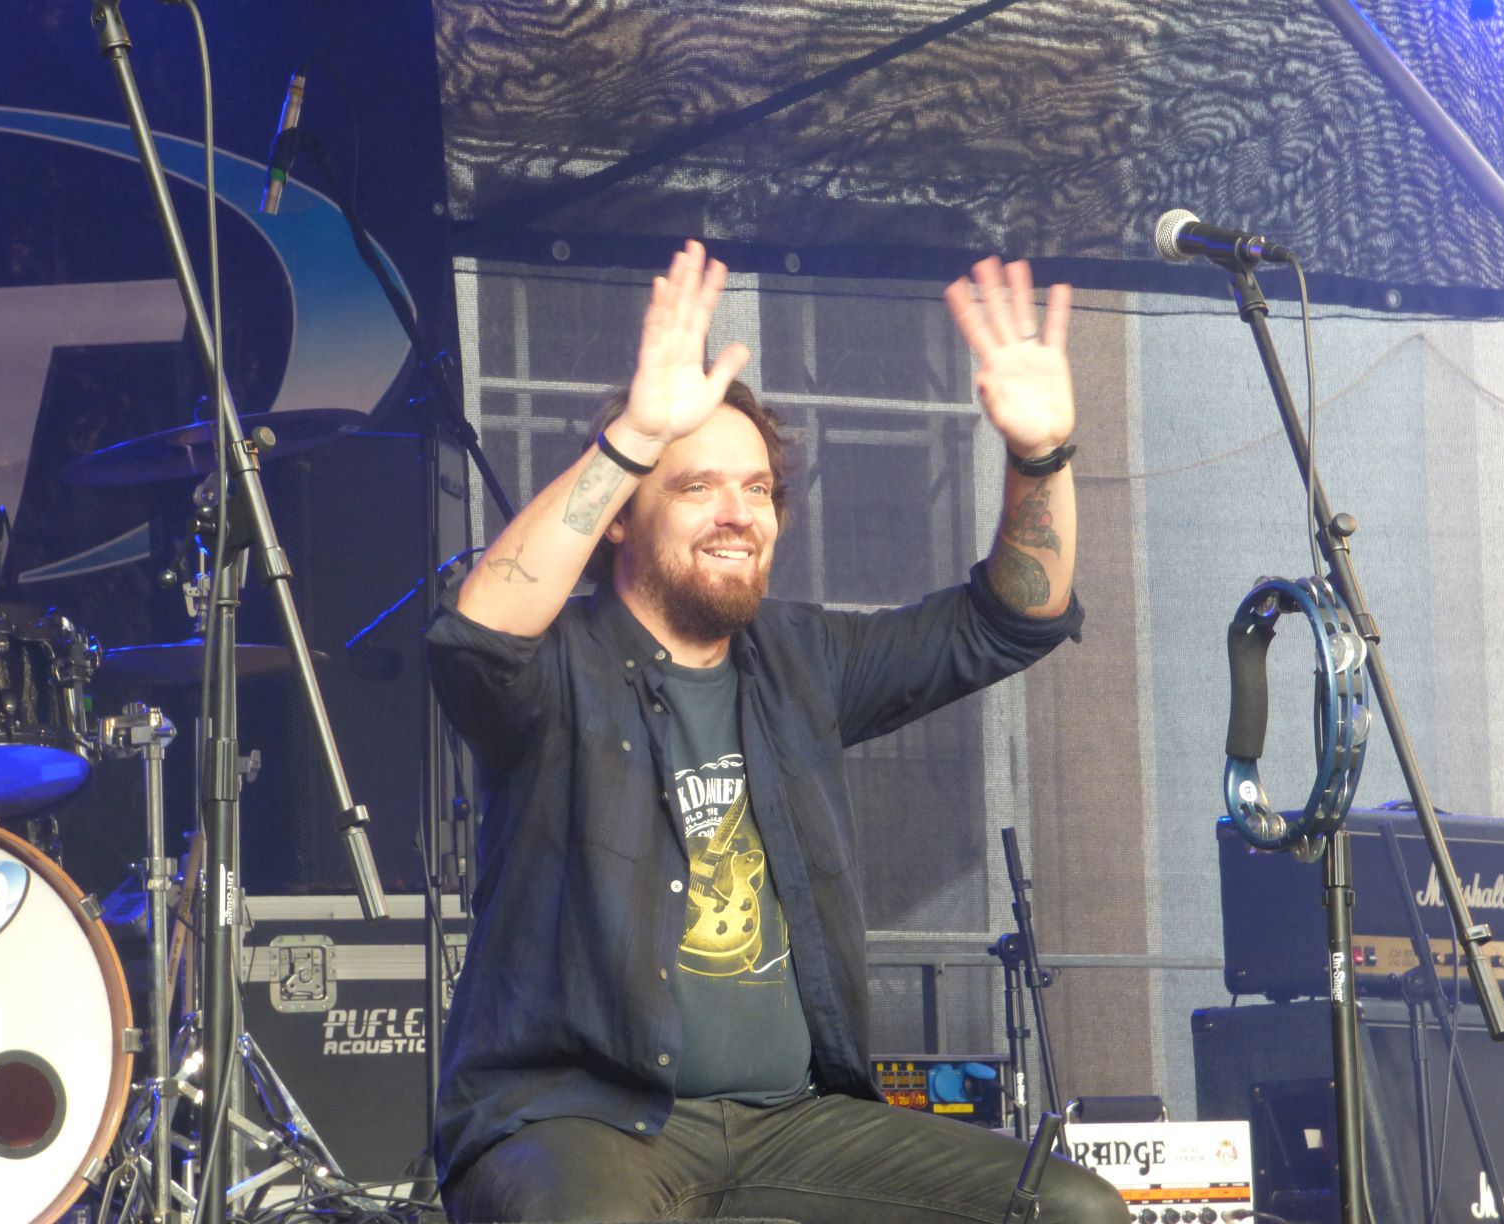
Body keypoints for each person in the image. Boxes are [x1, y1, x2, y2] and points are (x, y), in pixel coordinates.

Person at [426, 239, 1128, 1224]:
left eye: (757, 489)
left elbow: (1012, 619)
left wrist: (1039, 455)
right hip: (583, 1117)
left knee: (1076, 1209)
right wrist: (635, 435)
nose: (738, 515)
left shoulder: (805, 661)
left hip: (794, 1119)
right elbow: (478, 634)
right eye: (697, 486)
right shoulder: (559, 667)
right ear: (621, 516)